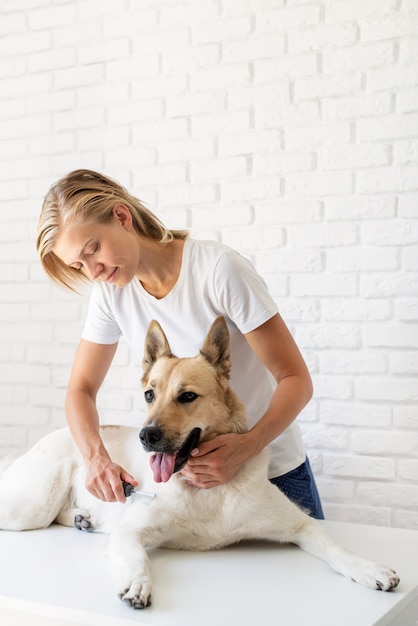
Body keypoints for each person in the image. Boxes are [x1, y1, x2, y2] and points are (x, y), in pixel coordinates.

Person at [36, 169, 324, 519]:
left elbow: (295, 378)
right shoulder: (110, 295)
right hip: (190, 483)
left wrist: (246, 447)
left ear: (122, 216)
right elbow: (80, 389)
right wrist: (95, 456)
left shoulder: (219, 270)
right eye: (78, 265)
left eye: (93, 249)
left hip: (269, 470)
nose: (93, 271)